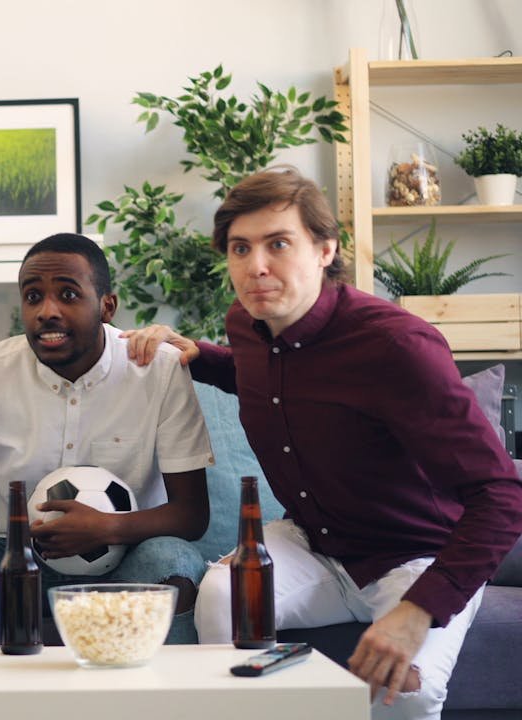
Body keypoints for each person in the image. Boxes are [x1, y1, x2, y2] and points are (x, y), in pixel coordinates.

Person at [122, 165, 522, 719]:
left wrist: (419, 609)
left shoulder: (397, 347)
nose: (256, 266)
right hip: (314, 541)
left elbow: (501, 495)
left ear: (325, 249)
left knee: (404, 690)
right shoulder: (247, 323)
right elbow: (263, 375)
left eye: (278, 243)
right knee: (222, 596)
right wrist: (197, 354)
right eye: (240, 248)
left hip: (416, 553)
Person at [0, 233, 215, 642]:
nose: (47, 311)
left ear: (107, 306)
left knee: (174, 563)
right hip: (11, 556)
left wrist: (108, 528)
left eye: (68, 294)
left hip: (126, 557)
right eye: (33, 297)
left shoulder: (158, 369)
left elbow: (191, 514)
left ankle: (167, 685)